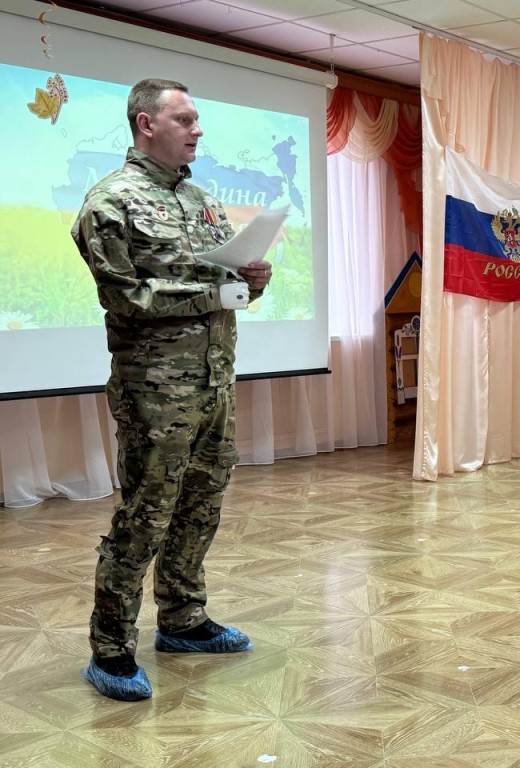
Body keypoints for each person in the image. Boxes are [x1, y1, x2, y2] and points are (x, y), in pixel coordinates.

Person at [71, 78, 273, 701]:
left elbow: (227, 284)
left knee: (202, 502)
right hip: (154, 392)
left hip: (215, 381)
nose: (198, 129)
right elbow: (124, 297)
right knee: (145, 513)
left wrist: (251, 278)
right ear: (145, 124)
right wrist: (214, 290)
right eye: (184, 119)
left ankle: (183, 620)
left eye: (196, 119)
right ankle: (110, 647)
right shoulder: (110, 204)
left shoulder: (205, 202)